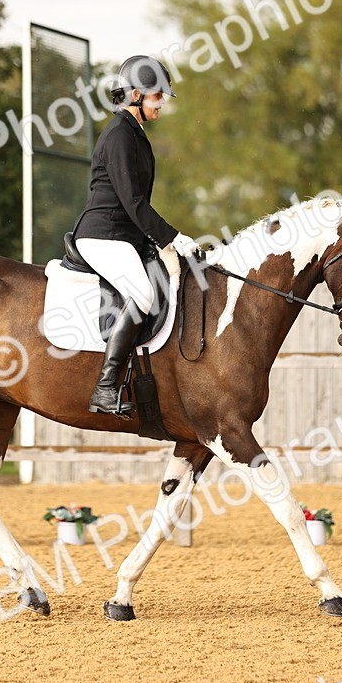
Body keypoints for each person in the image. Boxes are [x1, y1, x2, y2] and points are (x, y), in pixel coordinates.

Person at [71, 55, 201, 416]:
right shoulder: (118, 136)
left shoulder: (134, 134)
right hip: (103, 234)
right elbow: (133, 201)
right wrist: (172, 237)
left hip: (123, 235)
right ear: (136, 95)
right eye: (157, 96)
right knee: (142, 293)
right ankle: (105, 387)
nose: (161, 104)